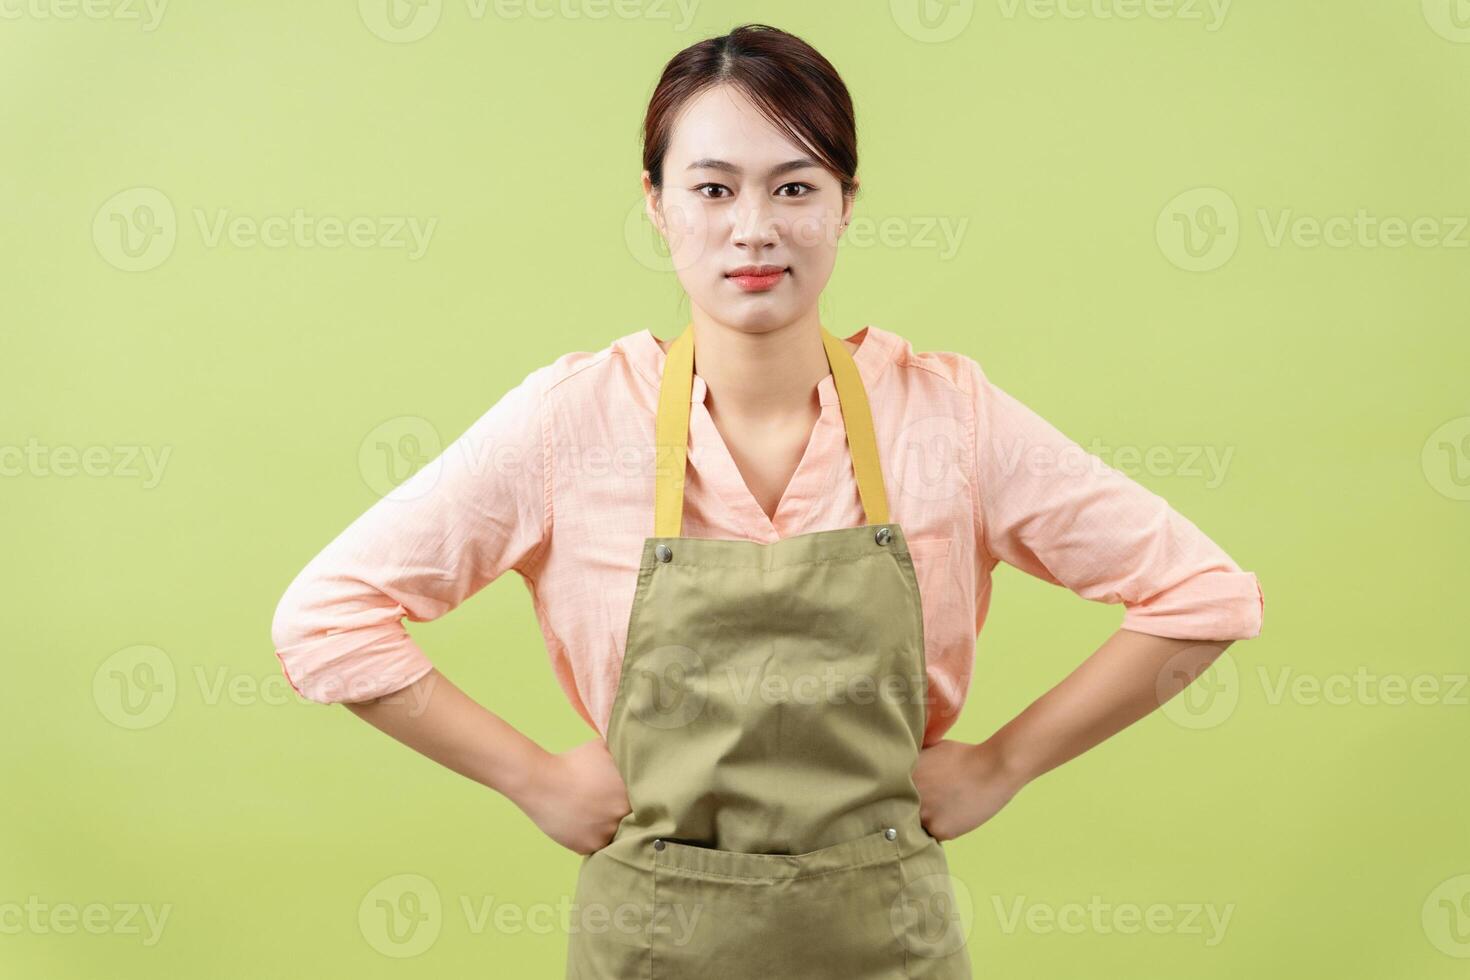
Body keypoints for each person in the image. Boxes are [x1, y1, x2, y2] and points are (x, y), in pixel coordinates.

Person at [270, 23, 1263, 977]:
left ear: (844, 202)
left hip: (888, 945)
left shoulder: (947, 417)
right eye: (713, 187)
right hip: (651, 947)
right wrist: (532, 776)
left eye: (795, 186)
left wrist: (1003, 764)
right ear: (657, 204)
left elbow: (1203, 596)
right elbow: (326, 620)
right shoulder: (573, 422)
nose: (755, 227)